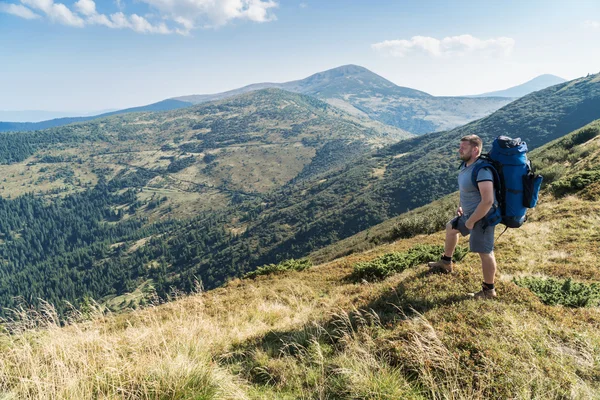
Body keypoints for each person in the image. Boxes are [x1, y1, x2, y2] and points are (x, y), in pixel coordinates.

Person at [427, 135, 498, 299]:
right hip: (468, 215)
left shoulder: (483, 170)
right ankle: (446, 263)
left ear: (475, 150)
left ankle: (489, 291)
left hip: (482, 218)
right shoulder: (467, 166)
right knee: (451, 228)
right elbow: (467, 190)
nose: (459, 150)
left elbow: (487, 201)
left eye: (463, 147)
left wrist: (472, 220)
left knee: (485, 252)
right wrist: (462, 206)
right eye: (460, 147)